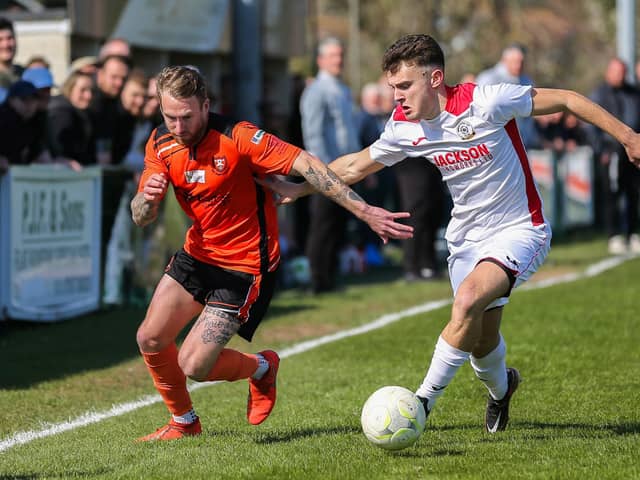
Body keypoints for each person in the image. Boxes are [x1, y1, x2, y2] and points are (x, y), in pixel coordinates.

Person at [263, 34, 640, 434]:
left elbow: (566, 99)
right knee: (480, 339)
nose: (397, 97)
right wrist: (301, 188)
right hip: (465, 239)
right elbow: (356, 165)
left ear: (435, 78)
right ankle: (502, 389)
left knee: (467, 302)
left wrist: (630, 137)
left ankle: (420, 404)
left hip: (519, 229)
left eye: (405, 86)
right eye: (393, 88)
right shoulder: (404, 127)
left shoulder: (487, 101)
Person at [130, 65, 412, 441]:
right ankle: (184, 423)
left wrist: (365, 212)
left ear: (205, 105)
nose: (178, 127)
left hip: (245, 267)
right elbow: (140, 217)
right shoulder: (160, 143)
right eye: (170, 118)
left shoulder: (239, 137)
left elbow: (309, 166)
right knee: (149, 338)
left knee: (193, 364)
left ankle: (261, 366)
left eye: (186, 117)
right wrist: (146, 201)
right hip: (197, 255)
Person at [300, 36, 361, 293]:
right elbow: (313, 133)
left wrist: (359, 163)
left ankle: (331, 275)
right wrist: (323, 171)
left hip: (345, 168)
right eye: (333, 56)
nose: (339, 60)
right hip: (326, 170)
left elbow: (348, 131)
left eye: (340, 55)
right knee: (322, 224)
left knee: (337, 223)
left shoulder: (342, 89)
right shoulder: (316, 91)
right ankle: (318, 278)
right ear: (321, 60)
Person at [588, 57, 640, 254]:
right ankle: (614, 234)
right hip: (611, 153)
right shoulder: (599, 95)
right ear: (608, 72)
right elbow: (590, 127)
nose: (619, 76)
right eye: (616, 72)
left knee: (633, 193)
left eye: (622, 72)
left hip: (633, 153)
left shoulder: (634, 94)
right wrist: (601, 149)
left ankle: (633, 233)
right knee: (612, 193)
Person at [476, 43, 538, 149]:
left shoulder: (526, 81)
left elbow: (530, 115)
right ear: (504, 60)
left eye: (521, 62)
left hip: (522, 143)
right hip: (494, 144)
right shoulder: (488, 79)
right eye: (515, 62)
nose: (518, 66)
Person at [47, 70, 95, 167]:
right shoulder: (61, 113)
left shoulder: (83, 114)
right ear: (69, 89)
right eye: (83, 90)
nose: (88, 96)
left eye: (91, 90)